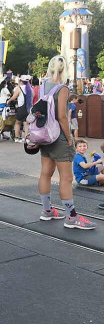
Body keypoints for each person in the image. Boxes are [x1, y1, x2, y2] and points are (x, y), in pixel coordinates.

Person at [38, 56, 96, 230]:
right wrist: (69, 137)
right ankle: (71, 217)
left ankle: (47, 211)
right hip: (60, 137)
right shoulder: (62, 88)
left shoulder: (43, 86)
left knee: (45, 173)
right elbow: (62, 116)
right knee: (66, 177)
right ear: (64, 70)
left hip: (45, 135)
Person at [7, 75, 32, 143]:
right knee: (26, 124)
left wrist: (8, 101)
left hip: (21, 108)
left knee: (17, 123)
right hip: (28, 109)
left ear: (21, 81)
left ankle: (17, 137)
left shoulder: (19, 88)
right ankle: (26, 138)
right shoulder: (30, 89)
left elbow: (14, 97)